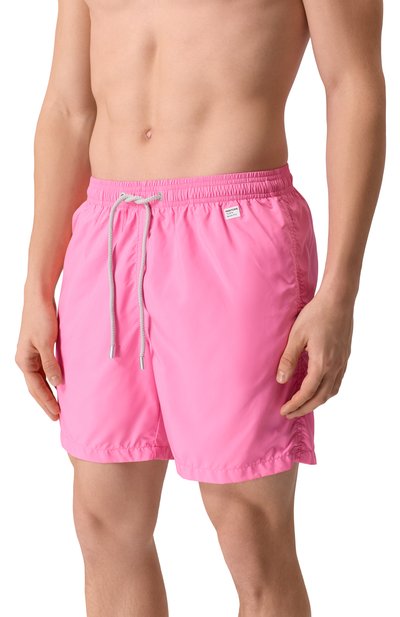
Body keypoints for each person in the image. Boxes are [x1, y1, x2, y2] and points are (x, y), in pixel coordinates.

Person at [15, 1, 386, 616]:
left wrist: (340, 291)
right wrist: (36, 284)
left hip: (235, 232)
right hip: (108, 234)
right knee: (103, 517)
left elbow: (353, 86)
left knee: (247, 523)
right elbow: (68, 108)